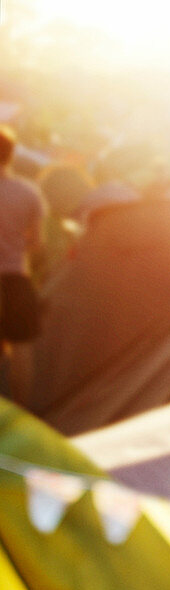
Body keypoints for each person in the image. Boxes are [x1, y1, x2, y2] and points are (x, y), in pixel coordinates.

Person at [0, 125, 46, 404]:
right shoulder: (28, 193)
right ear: (11, 155)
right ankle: (23, 415)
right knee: (22, 352)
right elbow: (38, 243)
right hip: (16, 278)